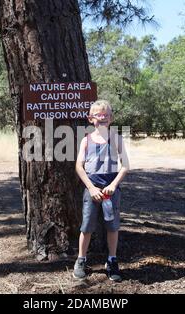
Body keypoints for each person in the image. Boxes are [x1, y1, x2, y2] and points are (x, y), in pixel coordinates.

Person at [73, 99, 130, 282]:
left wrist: (113, 185)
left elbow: (125, 166)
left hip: (111, 190)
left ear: (111, 118)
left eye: (106, 115)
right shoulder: (86, 140)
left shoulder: (116, 139)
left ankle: (112, 260)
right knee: (87, 225)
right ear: (91, 119)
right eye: (98, 115)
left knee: (112, 227)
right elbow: (79, 166)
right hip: (92, 190)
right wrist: (90, 187)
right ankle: (81, 260)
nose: (102, 118)